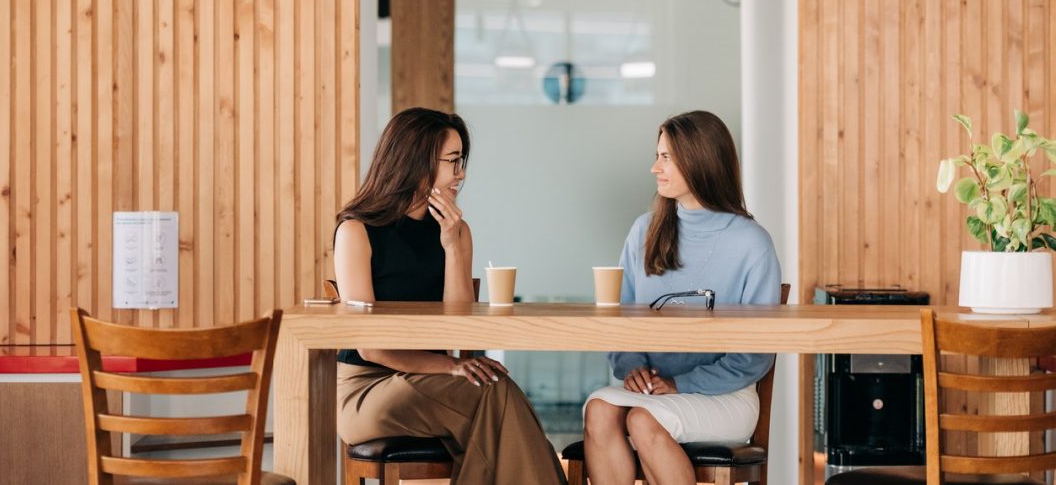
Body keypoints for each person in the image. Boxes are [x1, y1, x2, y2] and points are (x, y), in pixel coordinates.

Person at [333, 107, 566, 485]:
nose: (461, 174)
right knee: (497, 397)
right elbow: (371, 349)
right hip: (368, 389)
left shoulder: (457, 231)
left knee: (496, 401)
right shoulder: (356, 231)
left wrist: (453, 247)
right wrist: (451, 368)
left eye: (462, 162)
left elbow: (460, 334)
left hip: (436, 383)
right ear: (417, 160)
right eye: (453, 162)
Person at [582, 110, 782, 485]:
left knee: (643, 419)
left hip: (727, 396)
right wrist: (632, 368)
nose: (654, 168)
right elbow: (621, 318)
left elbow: (755, 354)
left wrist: (680, 384)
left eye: (666, 158)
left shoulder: (751, 243)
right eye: (657, 156)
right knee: (599, 409)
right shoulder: (644, 231)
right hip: (654, 390)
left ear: (700, 160)